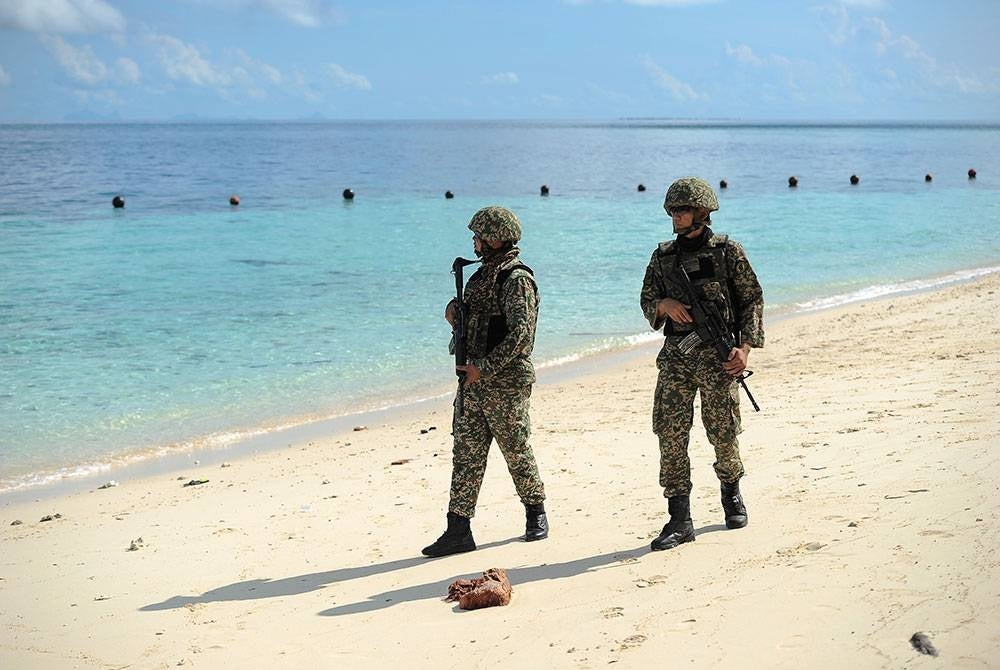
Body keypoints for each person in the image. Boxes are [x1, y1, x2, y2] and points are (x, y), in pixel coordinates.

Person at [639, 177, 764, 551]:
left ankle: (731, 493)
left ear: (702, 213)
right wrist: (664, 307)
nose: (676, 216)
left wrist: (744, 349)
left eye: (683, 210)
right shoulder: (662, 257)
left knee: (723, 431)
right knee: (670, 434)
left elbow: (751, 300)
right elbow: (646, 300)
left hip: (718, 358)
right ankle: (679, 517)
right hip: (677, 358)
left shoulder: (728, 251)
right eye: (673, 210)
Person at [422, 206, 549, 557]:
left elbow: (521, 336)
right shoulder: (479, 276)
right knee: (465, 455)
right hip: (472, 382)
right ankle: (458, 529)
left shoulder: (516, 279)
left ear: (494, 238)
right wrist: (453, 314)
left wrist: (485, 367)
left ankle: (535, 512)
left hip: (504, 384)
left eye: (479, 236)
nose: (474, 242)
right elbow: (473, 321)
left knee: (516, 450)